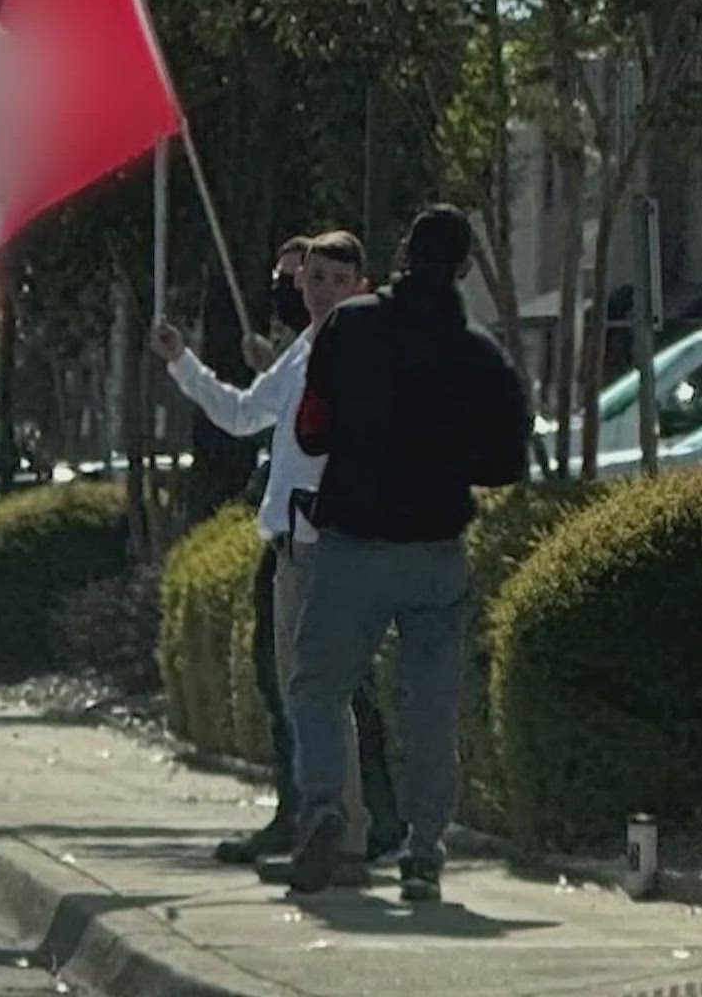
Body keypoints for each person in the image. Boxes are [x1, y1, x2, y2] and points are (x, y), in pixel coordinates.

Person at [286, 204, 531, 902]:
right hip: (436, 551)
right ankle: (424, 853)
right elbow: (509, 462)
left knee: (318, 686)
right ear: (464, 268)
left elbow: (310, 432)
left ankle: (327, 805)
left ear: (400, 255)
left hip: (352, 541)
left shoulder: (350, 326)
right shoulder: (481, 354)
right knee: (430, 707)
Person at [153, 233, 404, 881]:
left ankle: (336, 825)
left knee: (320, 688)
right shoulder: (301, 355)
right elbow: (240, 415)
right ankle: (329, 829)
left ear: (360, 284)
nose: (320, 290)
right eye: (313, 278)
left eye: (334, 279)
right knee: (307, 691)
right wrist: (184, 363)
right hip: (295, 541)